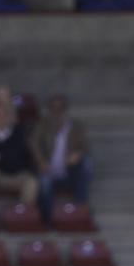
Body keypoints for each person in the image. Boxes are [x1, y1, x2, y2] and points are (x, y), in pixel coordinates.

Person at [31, 93, 91, 221]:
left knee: (87, 163)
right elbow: (33, 143)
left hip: (69, 171)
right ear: (49, 110)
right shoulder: (43, 125)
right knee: (44, 183)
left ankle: (80, 209)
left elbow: (86, 147)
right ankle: (48, 220)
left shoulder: (76, 127)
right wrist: (41, 161)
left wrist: (78, 154)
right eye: (53, 108)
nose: (57, 112)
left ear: (66, 109)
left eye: (60, 108)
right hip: (48, 170)